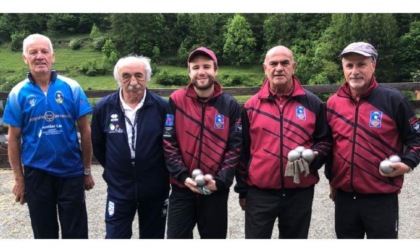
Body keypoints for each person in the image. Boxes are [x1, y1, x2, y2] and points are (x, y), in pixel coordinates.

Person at [3, 33, 94, 239]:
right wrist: (19, 179)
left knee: (76, 234)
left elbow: (86, 131)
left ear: (53, 57)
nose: (39, 56)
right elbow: (13, 139)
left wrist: (86, 171)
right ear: (25, 59)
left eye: (44, 51)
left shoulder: (72, 87)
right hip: (37, 174)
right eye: (33, 52)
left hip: (71, 172)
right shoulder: (18, 93)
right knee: (44, 234)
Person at [234, 45, 331, 239]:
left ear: (293, 66)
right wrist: (242, 190)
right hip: (260, 193)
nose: (279, 68)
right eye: (274, 63)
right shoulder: (251, 106)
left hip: (299, 193)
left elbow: (325, 141)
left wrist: (315, 157)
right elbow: (242, 151)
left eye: (285, 63)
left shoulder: (312, 103)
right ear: (265, 68)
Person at [325, 41, 420, 239]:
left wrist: (407, 164)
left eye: (361, 64)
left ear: (373, 65)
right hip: (344, 199)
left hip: (381, 197)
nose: (354, 71)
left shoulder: (393, 100)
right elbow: (331, 146)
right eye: (349, 65)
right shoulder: (333, 103)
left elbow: (416, 138)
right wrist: (332, 180)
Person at [163, 47, 242, 239]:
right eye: (195, 67)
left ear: (216, 70)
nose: (201, 72)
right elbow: (168, 140)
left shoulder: (229, 104)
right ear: (189, 72)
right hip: (182, 189)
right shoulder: (176, 100)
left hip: (214, 191)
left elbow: (236, 146)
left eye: (206, 66)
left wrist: (221, 181)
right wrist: (182, 176)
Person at [91, 55, 170, 239]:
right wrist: (117, 168)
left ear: (147, 77)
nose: (133, 81)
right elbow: (99, 146)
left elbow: (170, 145)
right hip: (119, 188)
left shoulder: (162, 107)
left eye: (138, 75)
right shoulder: (104, 107)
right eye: (126, 76)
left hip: (155, 188)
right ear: (118, 78)